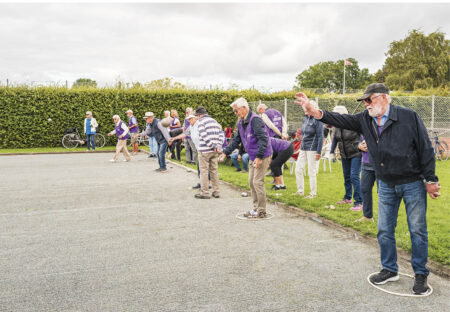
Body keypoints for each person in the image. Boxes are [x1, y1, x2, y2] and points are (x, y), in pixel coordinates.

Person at [295, 83, 441, 295]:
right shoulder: (365, 119)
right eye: (364, 101)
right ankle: (390, 269)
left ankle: (420, 274)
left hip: (412, 183)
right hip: (386, 183)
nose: (366, 104)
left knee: (417, 230)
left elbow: (425, 148)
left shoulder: (408, 116)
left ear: (384, 98)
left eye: (369, 99)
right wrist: (315, 111)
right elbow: (339, 119)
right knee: (384, 229)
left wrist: (430, 179)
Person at [221, 97, 273, 218]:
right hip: (252, 155)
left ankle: (261, 211)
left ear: (244, 108)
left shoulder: (255, 120)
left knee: (257, 182)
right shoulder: (241, 122)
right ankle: (255, 208)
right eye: (234, 111)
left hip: (263, 154)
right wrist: (226, 152)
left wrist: (259, 157)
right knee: (251, 182)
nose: (235, 113)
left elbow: (263, 139)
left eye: (236, 110)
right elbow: (236, 139)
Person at [329, 105, 363, 211]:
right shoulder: (337, 125)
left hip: (356, 153)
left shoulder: (354, 123)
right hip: (344, 154)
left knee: (354, 176)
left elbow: (363, 135)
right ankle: (348, 198)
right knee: (347, 176)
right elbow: (335, 138)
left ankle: (359, 202)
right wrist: (331, 152)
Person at [295, 100, 323, 199]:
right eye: (305, 108)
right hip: (303, 148)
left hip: (313, 149)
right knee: (298, 169)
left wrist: (319, 152)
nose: (305, 110)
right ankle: (300, 191)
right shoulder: (305, 118)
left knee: (312, 171)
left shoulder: (317, 120)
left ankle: (312, 193)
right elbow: (303, 133)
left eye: (307, 108)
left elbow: (320, 136)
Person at [195, 106, 223, 199]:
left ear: (199, 115)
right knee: (214, 171)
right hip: (214, 151)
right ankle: (216, 192)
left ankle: (205, 193)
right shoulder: (214, 121)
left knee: (204, 172)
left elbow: (204, 136)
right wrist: (217, 146)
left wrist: (212, 145)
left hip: (204, 150)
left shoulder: (201, 122)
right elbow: (221, 134)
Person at [356, 135, 376, 222]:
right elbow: (358, 141)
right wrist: (359, 145)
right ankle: (367, 216)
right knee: (365, 189)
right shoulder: (364, 126)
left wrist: (371, 144)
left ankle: (385, 219)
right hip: (366, 164)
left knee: (383, 192)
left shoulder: (381, 124)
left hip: (379, 164)